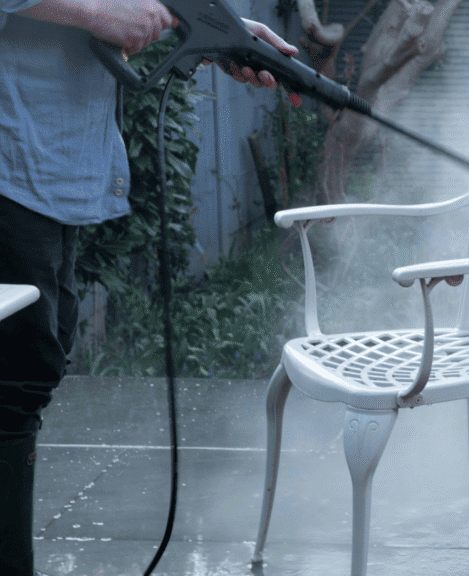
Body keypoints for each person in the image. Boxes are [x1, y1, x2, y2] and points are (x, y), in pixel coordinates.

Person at [0, 1, 299, 574]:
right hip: (13, 159)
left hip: (47, 157)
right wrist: (97, 11)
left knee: (30, 375)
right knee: (11, 386)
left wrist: (212, 28)